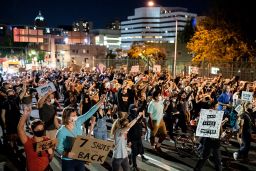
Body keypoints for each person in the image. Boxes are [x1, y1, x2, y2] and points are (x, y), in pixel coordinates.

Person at [56, 95, 106, 171]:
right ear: (67, 117)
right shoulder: (61, 132)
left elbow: (89, 113)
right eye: (73, 116)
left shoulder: (78, 121)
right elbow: (58, 148)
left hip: (79, 158)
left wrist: (100, 102)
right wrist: (67, 154)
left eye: (76, 115)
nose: (76, 117)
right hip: (68, 161)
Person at [17, 106, 54, 171]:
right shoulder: (27, 142)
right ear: (32, 129)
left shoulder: (47, 140)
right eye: (38, 129)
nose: (40, 131)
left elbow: (50, 157)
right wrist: (25, 114)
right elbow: (20, 129)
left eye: (42, 129)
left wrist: (51, 153)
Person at [127, 97, 148, 171]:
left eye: (136, 109)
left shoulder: (137, 116)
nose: (136, 110)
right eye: (134, 109)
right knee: (134, 151)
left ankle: (130, 156)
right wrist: (129, 140)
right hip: (132, 138)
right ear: (131, 110)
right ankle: (134, 166)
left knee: (140, 151)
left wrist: (144, 100)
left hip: (138, 136)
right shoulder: (129, 118)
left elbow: (142, 107)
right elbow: (128, 130)